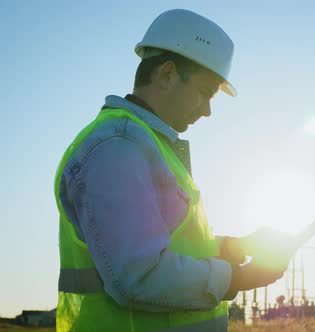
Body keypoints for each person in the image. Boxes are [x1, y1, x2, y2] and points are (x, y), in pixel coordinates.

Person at [54, 9, 294, 332]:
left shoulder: (145, 146)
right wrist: (241, 277)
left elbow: (169, 243)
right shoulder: (117, 146)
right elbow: (139, 275)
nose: (208, 110)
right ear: (167, 74)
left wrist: (238, 247)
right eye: (205, 92)